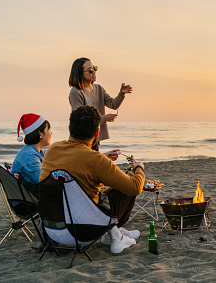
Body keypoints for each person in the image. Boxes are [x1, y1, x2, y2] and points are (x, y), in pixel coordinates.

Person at [39, 105, 145, 254]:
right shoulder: (96, 160)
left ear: (69, 128)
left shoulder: (52, 150)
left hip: (52, 230)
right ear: (97, 132)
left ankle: (114, 235)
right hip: (84, 233)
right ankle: (115, 234)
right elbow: (135, 187)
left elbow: (77, 163)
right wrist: (139, 169)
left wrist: (103, 159)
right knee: (125, 189)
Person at [68, 57, 132, 150]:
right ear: (80, 73)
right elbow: (79, 119)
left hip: (95, 136)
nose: (94, 72)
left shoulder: (99, 88)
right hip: (82, 138)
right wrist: (103, 118)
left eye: (94, 68)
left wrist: (122, 93)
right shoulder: (76, 92)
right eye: (90, 70)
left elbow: (113, 105)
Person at [11, 113, 52, 198]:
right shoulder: (28, 155)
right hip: (28, 202)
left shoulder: (39, 152)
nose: (51, 133)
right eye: (48, 130)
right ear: (40, 134)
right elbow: (43, 180)